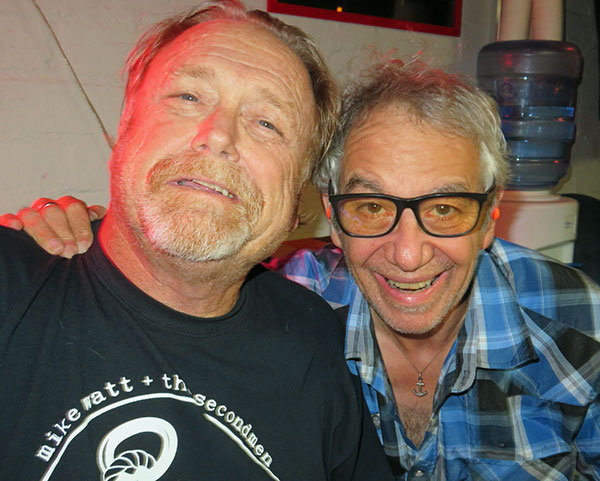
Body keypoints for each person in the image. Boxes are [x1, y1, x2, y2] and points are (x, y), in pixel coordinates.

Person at [4, 59, 600, 480]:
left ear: (490, 217)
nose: (409, 253)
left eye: (444, 209)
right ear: (333, 221)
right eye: (371, 207)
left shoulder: (585, 330)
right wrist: (86, 226)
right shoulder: (296, 298)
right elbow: (187, 265)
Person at [0, 2, 396, 480]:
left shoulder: (317, 341)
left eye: (267, 123)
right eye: (188, 97)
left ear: (297, 200)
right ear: (126, 127)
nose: (218, 136)